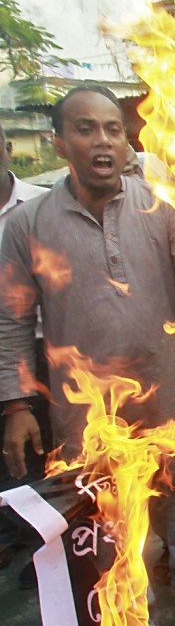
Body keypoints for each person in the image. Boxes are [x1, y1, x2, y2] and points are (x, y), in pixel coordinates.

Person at [0, 85, 175, 626]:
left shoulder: (161, 205)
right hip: (85, 400)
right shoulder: (27, 223)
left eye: (113, 129)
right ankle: (127, 601)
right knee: (104, 502)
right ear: (59, 143)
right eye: (86, 129)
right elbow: (11, 321)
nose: (103, 141)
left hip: (169, 380)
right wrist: (15, 405)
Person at [0, 120, 48, 575]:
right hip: (12, 348)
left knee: (44, 457)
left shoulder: (38, 208)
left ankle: (46, 551)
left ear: (8, 147)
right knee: (13, 460)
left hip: (44, 352)